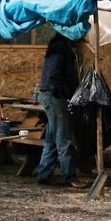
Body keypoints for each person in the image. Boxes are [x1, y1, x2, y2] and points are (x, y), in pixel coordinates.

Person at [36, 33, 89, 189]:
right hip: (54, 96)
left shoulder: (59, 46)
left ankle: (44, 174)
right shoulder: (60, 47)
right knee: (63, 139)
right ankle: (70, 177)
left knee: (52, 138)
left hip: (51, 95)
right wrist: (62, 91)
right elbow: (54, 75)